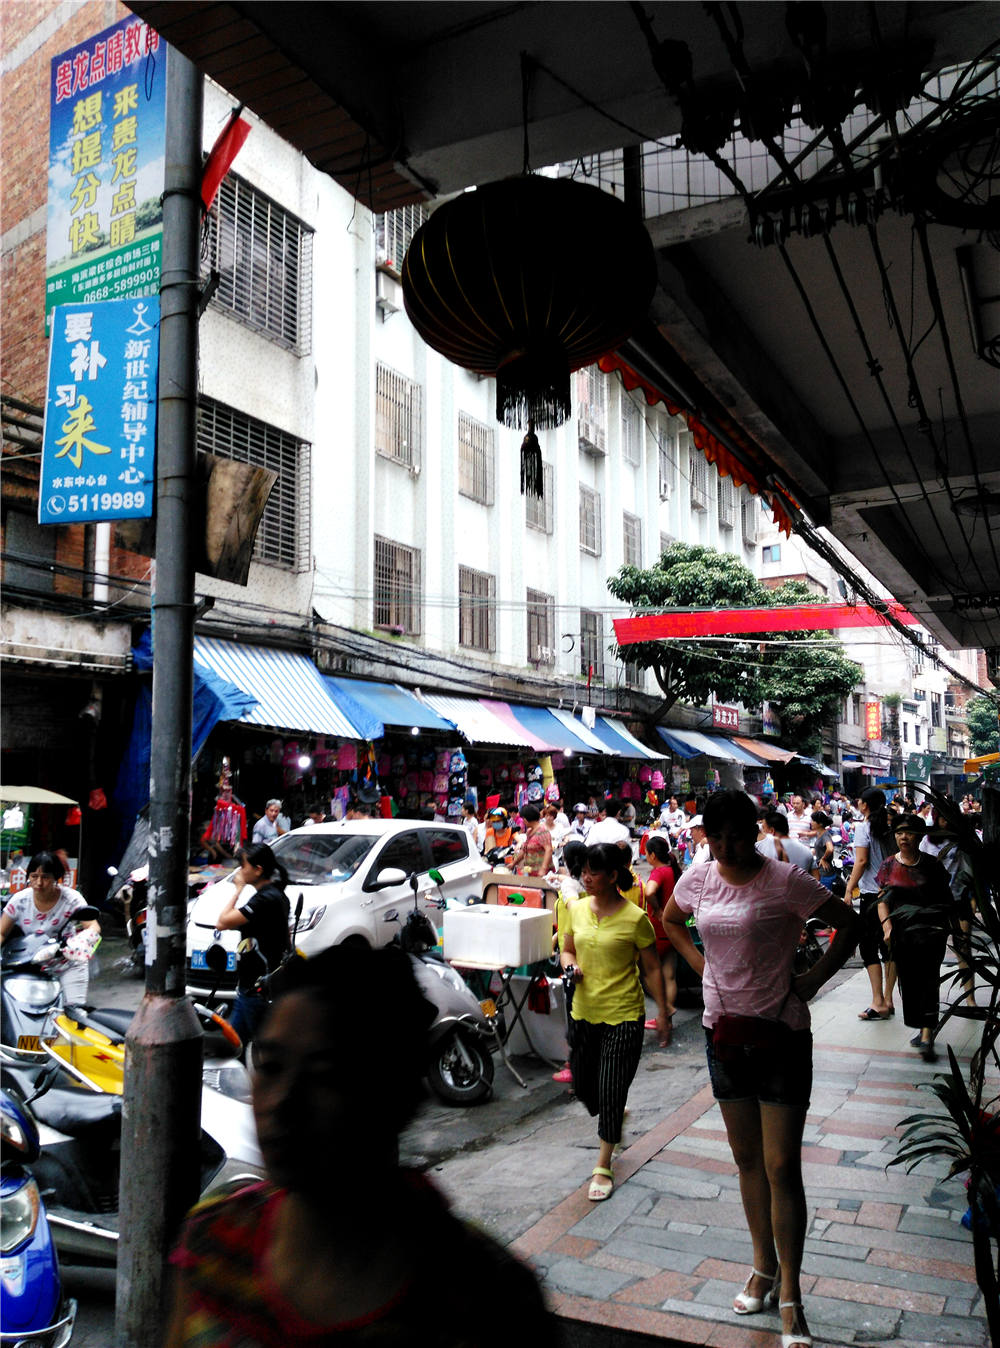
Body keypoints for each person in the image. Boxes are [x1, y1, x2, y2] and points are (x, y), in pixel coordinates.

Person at [165, 945, 553, 1346]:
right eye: (272, 1066)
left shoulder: (487, 1300)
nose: (282, 1101)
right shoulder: (214, 1239)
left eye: (325, 1074)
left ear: (397, 1097)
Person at [662, 791, 859, 1348]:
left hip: (781, 1034)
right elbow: (672, 920)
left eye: (736, 835)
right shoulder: (699, 878)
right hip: (722, 1032)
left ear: (755, 832)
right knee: (747, 1160)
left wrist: (813, 980)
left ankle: (791, 1294)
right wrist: (701, 965)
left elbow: (849, 924)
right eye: (716, 836)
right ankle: (762, 1268)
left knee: (781, 1165)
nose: (726, 847)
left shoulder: (785, 880)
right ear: (706, 836)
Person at [559, 843, 671, 1201]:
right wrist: (570, 967)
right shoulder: (576, 909)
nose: (586, 878)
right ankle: (612, 1110)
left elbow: (651, 969)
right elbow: (567, 949)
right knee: (585, 1089)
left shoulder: (635, 918)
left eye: (593, 872)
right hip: (583, 1011)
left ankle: (603, 1164)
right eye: (583, 872)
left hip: (624, 1014)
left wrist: (663, 1012)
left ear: (612, 876)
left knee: (610, 1090)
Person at [877, 813, 955, 1062]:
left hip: (930, 934)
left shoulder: (932, 865)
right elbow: (882, 901)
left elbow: (946, 900)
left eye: (909, 832)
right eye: (899, 832)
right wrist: (887, 927)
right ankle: (922, 1027)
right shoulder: (889, 864)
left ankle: (927, 1034)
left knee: (929, 981)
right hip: (902, 935)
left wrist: (943, 926)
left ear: (919, 837)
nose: (903, 837)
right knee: (909, 983)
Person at [214, 843, 291, 1048]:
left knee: (263, 1049)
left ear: (258, 870)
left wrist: (238, 889)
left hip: (258, 989)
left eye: (243, 866)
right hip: (252, 986)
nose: (239, 871)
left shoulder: (266, 899)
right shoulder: (273, 894)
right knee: (235, 1046)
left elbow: (222, 922)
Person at [1, 851, 100, 1004]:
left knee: (73, 1010)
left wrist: (78, 942)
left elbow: (93, 926)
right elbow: (1, 932)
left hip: (68, 964)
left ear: (56, 877)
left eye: (45, 877)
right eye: (34, 876)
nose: (39, 883)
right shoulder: (20, 900)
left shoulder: (71, 899)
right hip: (31, 966)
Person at [845, 786, 897, 1021]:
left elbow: (861, 861)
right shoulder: (890, 826)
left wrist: (849, 888)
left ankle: (877, 1001)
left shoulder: (863, 828)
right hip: (893, 893)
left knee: (868, 947)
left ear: (864, 805)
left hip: (871, 894)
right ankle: (889, 999)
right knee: (889, 945)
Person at [643, 835, 680, 1041]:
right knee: (669, 976)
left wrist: (656, 909)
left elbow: (649, 892)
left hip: (658, 929)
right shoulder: (672, 870)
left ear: (652, 855)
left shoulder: (658, 872)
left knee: (648, 974)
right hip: (673, 929)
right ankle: (666, 1018)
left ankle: (665, 1009)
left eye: (647, 853)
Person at [510, 804, 553, 876]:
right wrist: (513, 863)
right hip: (531, 872)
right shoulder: (529, 832)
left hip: (542, 874)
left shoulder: (542, 831)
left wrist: (543, 869)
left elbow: (549, 850)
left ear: (525, 820)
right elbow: (524, 850)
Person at [809, 811, 835, 888]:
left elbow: (830, 849)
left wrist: (823, 859)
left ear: (820, 823)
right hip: (821, 872)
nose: (811, 822)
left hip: (825, 873)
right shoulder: (819, 833)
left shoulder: (825, 835)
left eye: (813, 820)